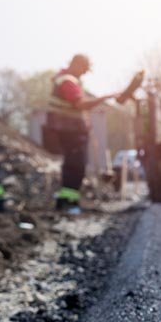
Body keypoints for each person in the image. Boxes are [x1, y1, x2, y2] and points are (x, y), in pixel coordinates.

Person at [45, 54, 116, 214]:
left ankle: (68, 201)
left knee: (74, 165)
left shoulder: (65, 79)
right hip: (70, 131)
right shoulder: (68, 81)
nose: (84, 73)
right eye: (84, 69)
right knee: (75, 166)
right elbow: (81, 104)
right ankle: (69, 203)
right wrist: (105, 98)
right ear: (76, 64)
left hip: (71, 130)